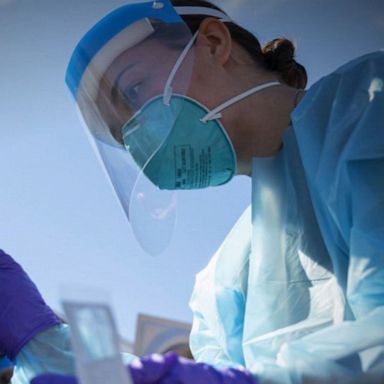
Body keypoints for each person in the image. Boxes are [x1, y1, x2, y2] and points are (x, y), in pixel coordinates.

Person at [2, 0, 383, 382]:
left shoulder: (367, 105)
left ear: (215, 43)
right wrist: (39, 339)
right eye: (123, 134)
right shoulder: (221, 278)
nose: (140, 134)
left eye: (134, 90)